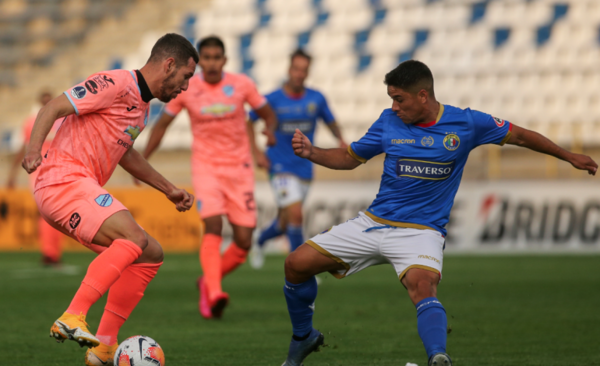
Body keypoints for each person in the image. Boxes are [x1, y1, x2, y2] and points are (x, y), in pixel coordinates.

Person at [280, 60, 598, 366]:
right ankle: (304, 337)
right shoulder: (389, 122)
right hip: (374, 222)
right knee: (295, 265)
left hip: (421, 231)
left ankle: (437, 357)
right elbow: (350, 157)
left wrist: (568, 155)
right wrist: (312, 152)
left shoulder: (467, 123)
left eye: (399, 99)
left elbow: (520, 135)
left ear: (423, 96)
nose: (394, 107)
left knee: (423, 287)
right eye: (391, 99)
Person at [21, 33, 198, 366]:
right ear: (169, 64)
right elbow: (54, 106)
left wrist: (167, 188)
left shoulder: (142, 110)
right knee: (132, 236)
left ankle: (103, 347)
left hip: (76, 188)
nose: (185, 88)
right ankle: (73, 315)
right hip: (62, 180)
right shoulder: (115, 83)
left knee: (149, 254)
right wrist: (34, 149)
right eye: (185, 77)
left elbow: (124, 153)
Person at [141, 35, 277, 320]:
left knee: (243, 241)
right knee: (212, 226)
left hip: (239, 170)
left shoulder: (242, 85)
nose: (213, 63)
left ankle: (207, 280)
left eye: (218, 57)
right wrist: (144, 160)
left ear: (225, 60)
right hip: (207, 169)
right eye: (208, 58)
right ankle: (214, 291)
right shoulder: (189, 89)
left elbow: (267, 113)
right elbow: (162, 124)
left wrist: (269, 133)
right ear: (201, 62)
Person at [248, 49, 346, 269]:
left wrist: (341, 140)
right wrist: (257, 152)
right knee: (296, 214)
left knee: (285, 222)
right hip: (279, 165)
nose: (299, 74)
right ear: (289, 69)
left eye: (304, 70)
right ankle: (300, 268)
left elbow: (331, 121)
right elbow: (249, 121)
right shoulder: (272, 99)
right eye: (296, 69)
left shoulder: (316, 98)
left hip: (304, 168)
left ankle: (260, 240)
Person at [7, 91, 64, 266]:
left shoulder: (62, 119)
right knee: (46, 211)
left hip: (60, 169)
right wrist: (12, 174)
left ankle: (53, 252)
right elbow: (23, 148)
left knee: (57, 212)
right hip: (40, 171)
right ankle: (49, 252)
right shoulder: (33, 121)